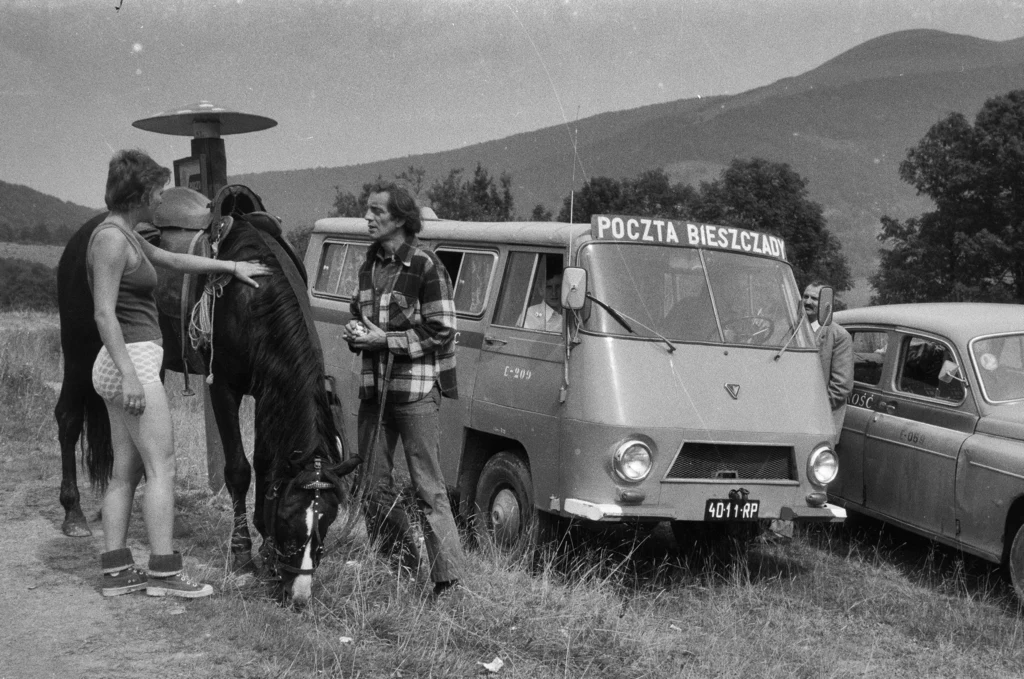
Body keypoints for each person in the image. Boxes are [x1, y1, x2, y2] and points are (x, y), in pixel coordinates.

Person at [92, 149, 271, 598]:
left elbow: (174, 261)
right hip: (130, 363)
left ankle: (116, 571)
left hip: (124, 362)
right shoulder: (113, 241)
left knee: (125, 473)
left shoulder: (123, 234)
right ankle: (166, 574)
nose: (159, 201)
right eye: (154, 192)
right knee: (163, 468)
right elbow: (103, 313)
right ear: (137, 195)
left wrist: (230, 266)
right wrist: (132, 377)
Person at [341, 183, 464, 597]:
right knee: (372, 487)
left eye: (376, 211)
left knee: (428, 488)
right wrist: (356, 331)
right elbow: (361, 313)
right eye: (367, 209)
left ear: (400, 218)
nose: (368, 217)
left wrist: (386, 341)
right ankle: (402, 572)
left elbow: (442, 329)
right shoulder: (368, 265)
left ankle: (448, 582)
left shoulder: (426, 265)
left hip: (414, 394)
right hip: (375, 392)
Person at [803, 282, 853, 444]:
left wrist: (812, 412)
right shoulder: (792, 329)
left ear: (826, 303)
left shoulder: (839, 336)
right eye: (805, 296)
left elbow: (841, 386)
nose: (808, 302)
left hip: (819, 422)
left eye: (814, 298)